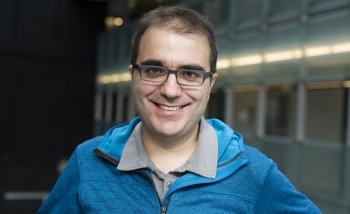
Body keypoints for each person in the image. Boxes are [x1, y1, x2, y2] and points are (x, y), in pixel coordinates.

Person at [38, 5, 321, 213]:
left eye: (190, 74)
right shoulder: (88, 162)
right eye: (153, 69)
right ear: (133, 76)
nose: (170, 90)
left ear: (210, 84)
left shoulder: (253, 173)